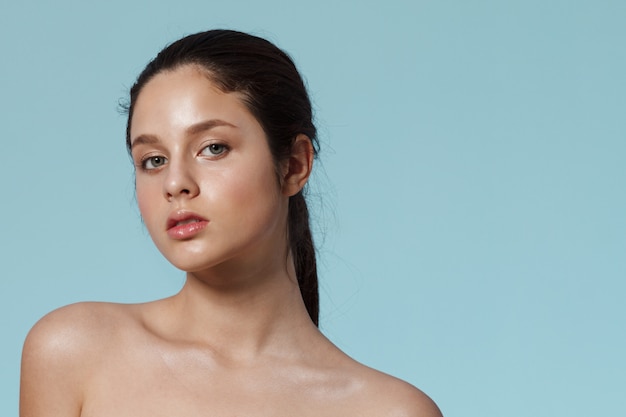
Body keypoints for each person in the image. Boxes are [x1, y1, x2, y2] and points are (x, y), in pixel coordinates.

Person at [20, 29, 442, 417]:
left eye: (213, 148)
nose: (175, 183)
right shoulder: (74, 351)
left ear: (295, 164)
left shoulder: (388, 410)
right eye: (153, 160)